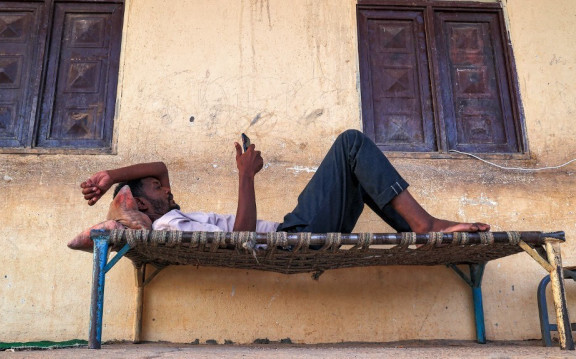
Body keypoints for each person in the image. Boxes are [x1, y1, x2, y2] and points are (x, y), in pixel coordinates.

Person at [80, 130, 489, 235]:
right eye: (157, 189)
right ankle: (424, 226)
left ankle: (423, 227)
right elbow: (239, 240)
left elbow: (161, 166)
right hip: (296, 235)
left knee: (356, 171)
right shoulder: (168, 225)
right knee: (351, 145)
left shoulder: (169, 212)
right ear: (140, 205)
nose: (166, 186)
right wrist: (245, 177)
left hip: (298, 229)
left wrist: (111, 176)